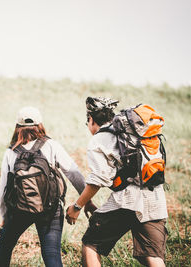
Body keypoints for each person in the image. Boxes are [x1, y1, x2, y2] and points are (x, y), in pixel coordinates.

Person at [65, 97, 168, 267]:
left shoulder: (98, 139)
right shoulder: (135, 132)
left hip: (126, 201)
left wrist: (77, 207)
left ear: (91, 120)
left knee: (91, 244)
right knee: (153, 256)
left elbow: (98, 180)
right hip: (155, 200)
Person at [0, 106, 96, 267]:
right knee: (51, 254)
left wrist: (5, 218)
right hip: (51, 209)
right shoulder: (51, 145)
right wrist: (87, 201)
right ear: (40, 124)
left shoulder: (11, 152)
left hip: (21, 209)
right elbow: (74, 173)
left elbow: (4, 190)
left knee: (5, 245)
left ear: (17, 127)